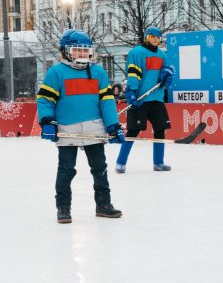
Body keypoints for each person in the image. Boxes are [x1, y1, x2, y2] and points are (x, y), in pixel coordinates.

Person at [36, 29, 125, 224]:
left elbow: (107, 102)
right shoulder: (56, 73)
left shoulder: (98, 72)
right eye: (78, 50)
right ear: (66, 51)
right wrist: (47, 121)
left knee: (99, 168)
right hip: (67, 130)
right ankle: (63, 207)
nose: (83, 54)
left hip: (95, 128)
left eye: (86, 51)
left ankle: (104, 205)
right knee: (66, 169)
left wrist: (113, 126)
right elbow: (45, 100)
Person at [115, 26, 176, 173]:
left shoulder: (163, 55)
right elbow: (133, 74)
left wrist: (167, 75)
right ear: (147, 37)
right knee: (133, 132)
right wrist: (131, 92)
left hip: (157, 99)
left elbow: (167, 73)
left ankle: (158, 163)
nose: (155, 39)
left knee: (160, 130)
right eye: (152, 36)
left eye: (158, 37)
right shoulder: (136, 53)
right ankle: (120, 162)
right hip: (140, 98)